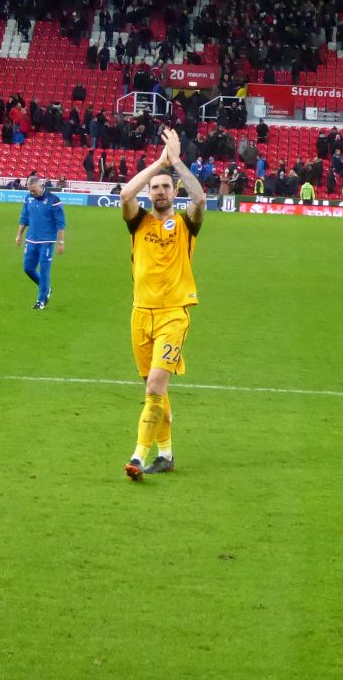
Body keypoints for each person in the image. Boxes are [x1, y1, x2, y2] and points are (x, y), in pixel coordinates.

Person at [121, 128, 206, 481]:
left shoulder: (186, 223)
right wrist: (159, 161)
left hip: (173, 314)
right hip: (140, 314)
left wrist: (177, 162)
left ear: (174, 191)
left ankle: (139, 456)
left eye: (165, 187)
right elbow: (126, 193)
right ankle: (166, 454)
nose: (158, 191)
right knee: (153, 387)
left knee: (155, 386)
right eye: (155, 187)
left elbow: (200, 200)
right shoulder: (137, 221)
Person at [14, 176, 66, 310]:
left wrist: (60, 241)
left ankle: (41, 300)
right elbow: (24, 217)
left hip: (47, 242)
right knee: (28, 268)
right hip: (31, 240)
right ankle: (46, 288)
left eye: (33, 190)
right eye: (30, 190)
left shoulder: (54, 200)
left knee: (44, 270)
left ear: (40, 186)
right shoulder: (28, 199)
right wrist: (19, 234)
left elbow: (61, 223)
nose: (32, 193)